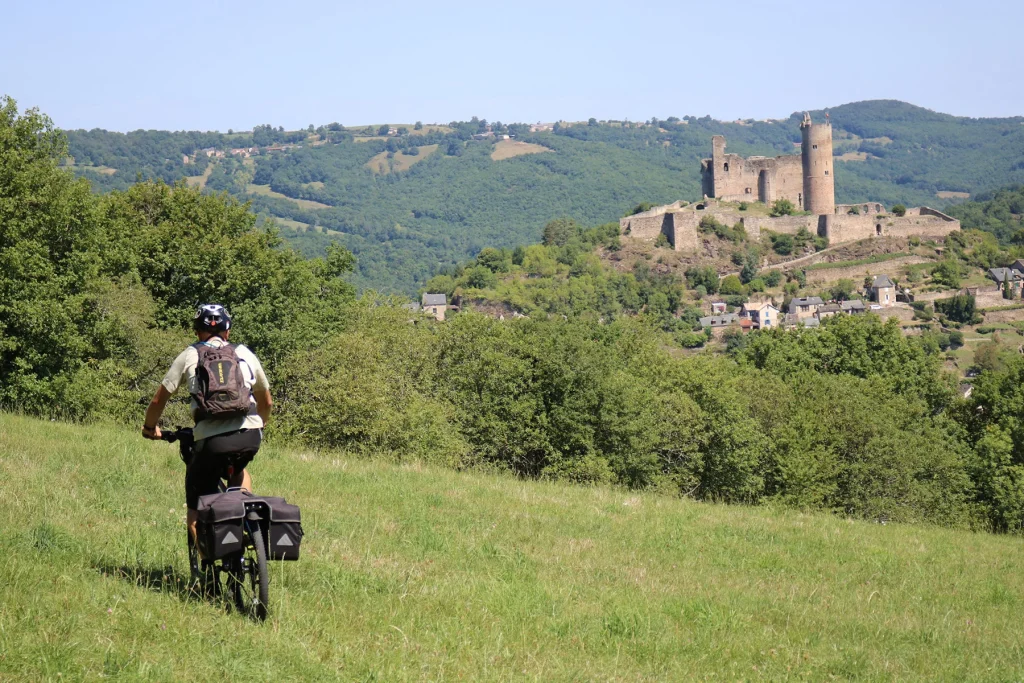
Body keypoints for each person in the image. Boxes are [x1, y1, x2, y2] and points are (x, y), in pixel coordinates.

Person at [142, 304, 273, 548]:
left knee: (197, 498)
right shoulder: (244, 352)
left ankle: (206, 578)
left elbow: (159, 399)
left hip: (211, 441)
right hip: (250, 436)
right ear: (228, 331)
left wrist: (150, 428)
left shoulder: (190, 354)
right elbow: (266, 400)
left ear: (197, 332)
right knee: (240, 470)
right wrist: (259, 426)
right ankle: (246, 517)